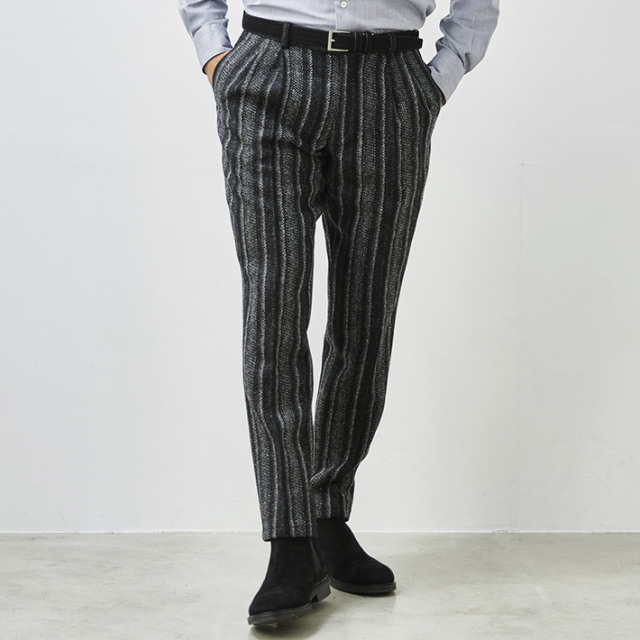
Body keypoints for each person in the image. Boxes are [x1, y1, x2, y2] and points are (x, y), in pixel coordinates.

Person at [177, 0, 499, 628]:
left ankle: (327, 511)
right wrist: (214, 53)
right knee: (272, 312)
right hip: (267, 73)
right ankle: (289, 542)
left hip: (391, 85)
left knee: (366, 317)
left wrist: (439, 79)